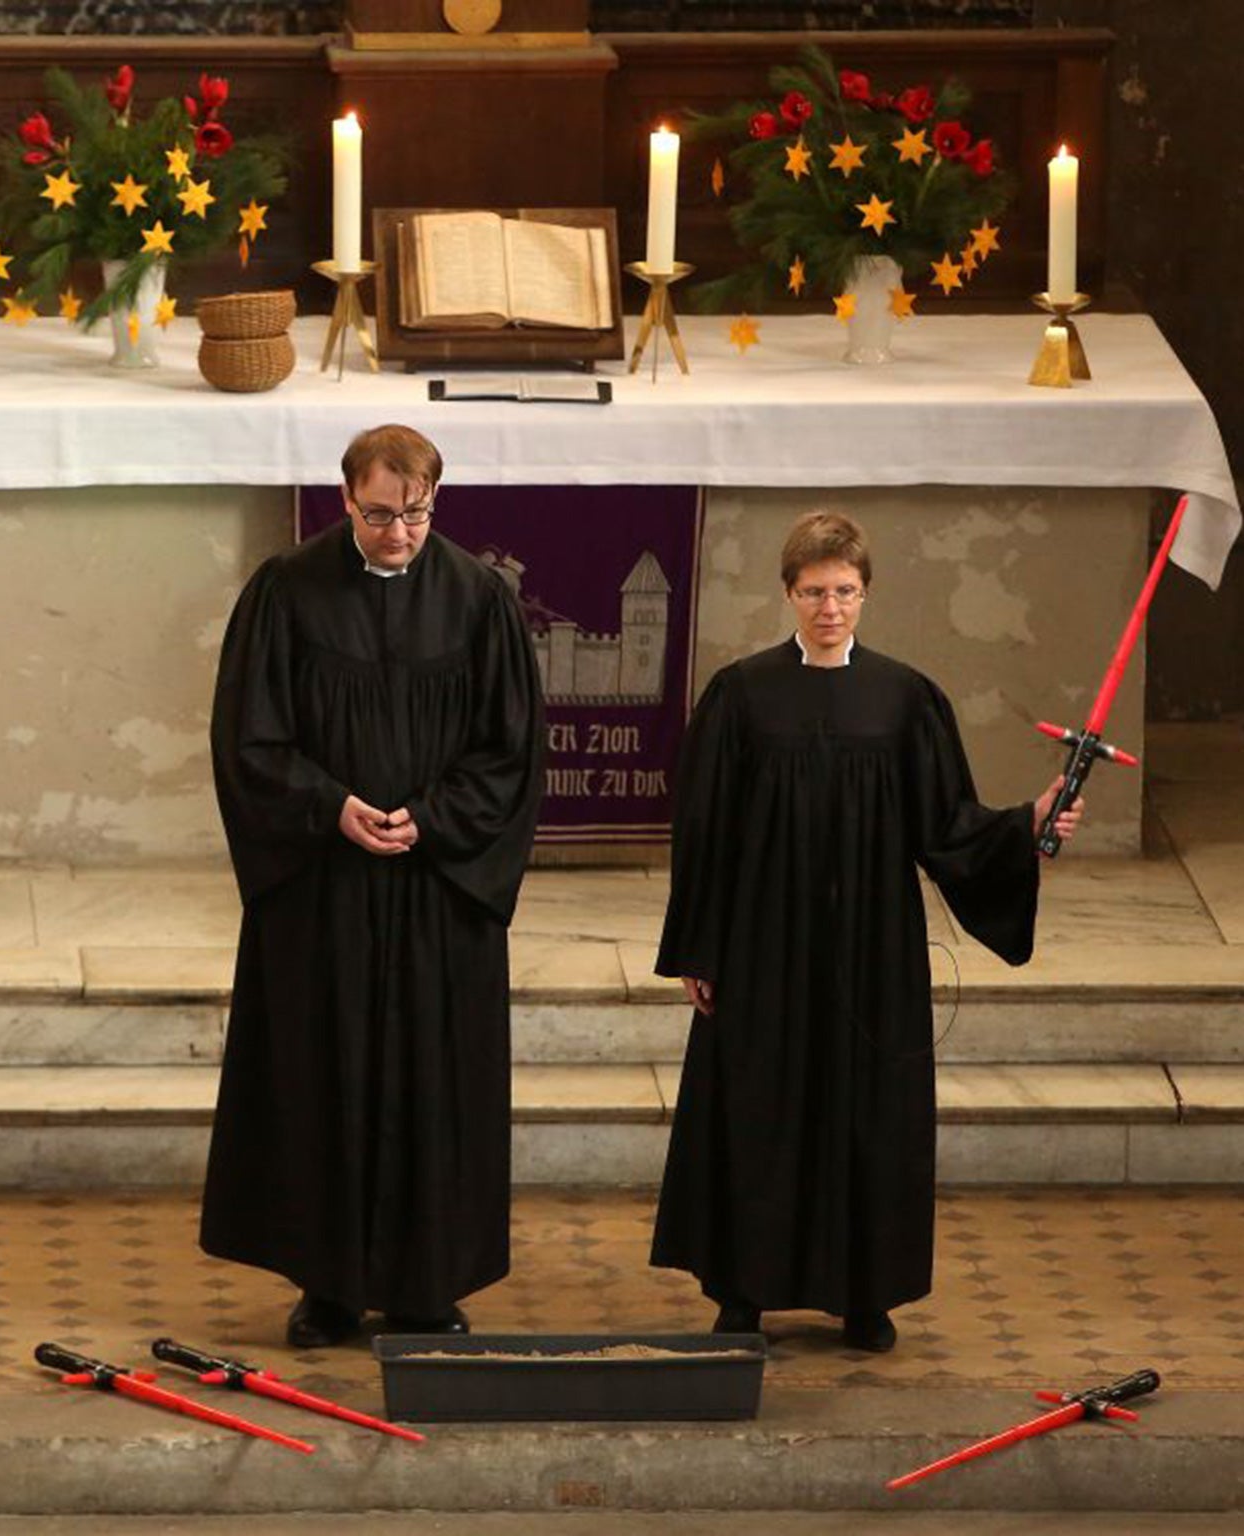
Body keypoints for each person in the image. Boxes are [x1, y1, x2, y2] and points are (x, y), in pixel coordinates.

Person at [650, 511, 1083, 1353]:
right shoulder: (741, 696)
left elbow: (946, 824)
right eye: (813, 592)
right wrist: (698, 950)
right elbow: (702, 830)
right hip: (762, 944)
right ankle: (744, 1290)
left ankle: (863, 1294)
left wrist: (1024, 825)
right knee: (757, 1108)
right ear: (788, 594)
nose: (829, 608)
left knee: (866, 1113)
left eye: (844, 591)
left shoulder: (904, 698)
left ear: (866, 593)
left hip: (872, 947)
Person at [201, 423, 547, 1349]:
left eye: (419, 514)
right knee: (327, 1076)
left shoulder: (479, 602)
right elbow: (249, 739)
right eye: (381, 515)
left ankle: (428, 1285)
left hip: (436, 888)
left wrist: (432, 816)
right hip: (327, 889)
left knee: (434, 1083)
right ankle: (329, 1289)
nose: (399, 533)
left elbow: (511, 752)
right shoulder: (286, 593)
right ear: (346, 500)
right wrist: (329, 807)